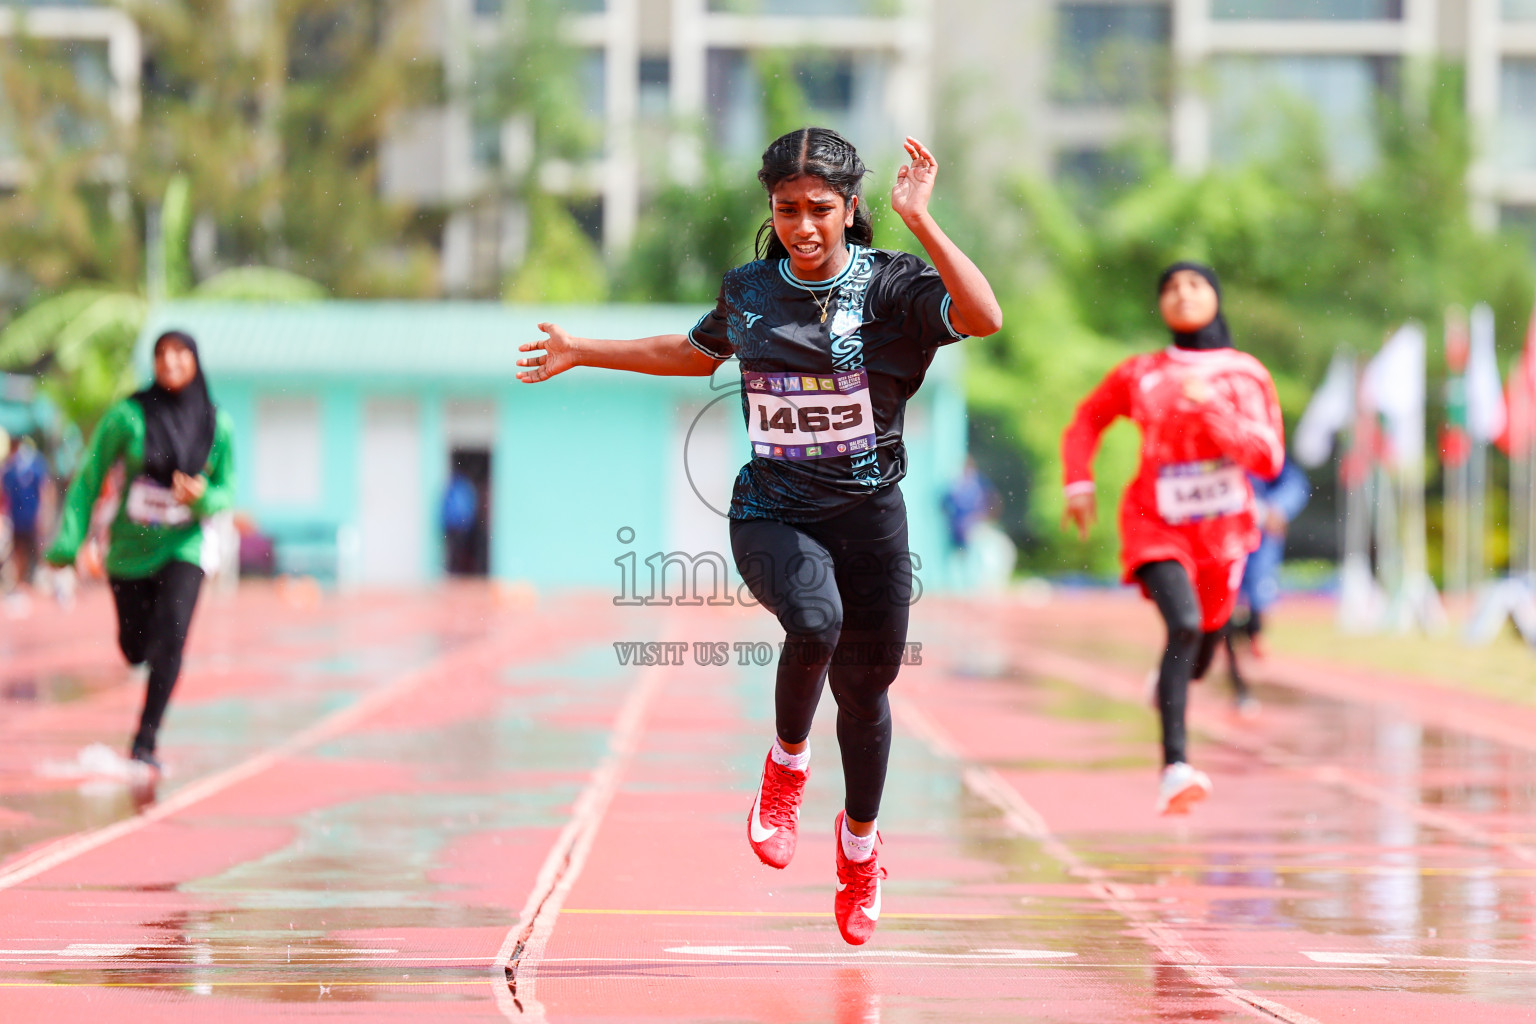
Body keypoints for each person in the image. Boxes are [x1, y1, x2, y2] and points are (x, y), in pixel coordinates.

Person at [515, 129, 1001, 944]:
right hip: (773, 509)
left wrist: (920, 220)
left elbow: (983, 317)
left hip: (871, 520)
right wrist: (582, 350)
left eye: (820, 210)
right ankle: (785, 766)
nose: (803, 227)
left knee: (865, 694)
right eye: (786, 210)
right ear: (769, 210)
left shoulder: (892, 288)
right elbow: (691, 349)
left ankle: (860, 849)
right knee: (814, 623)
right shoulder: (749, 290)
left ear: (852, 208)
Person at [1061, 262, 1283, 815]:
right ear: (1161, 306)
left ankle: (1169, 682)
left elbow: (1269, 458)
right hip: (1154, 520)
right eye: (1170, 287)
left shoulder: (1245, 374)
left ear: (1216, 296)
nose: (1182, 294)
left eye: (1194, 285)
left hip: (1224, 534)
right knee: (1181, 625)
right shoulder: (1143, 372)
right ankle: (1174, 769)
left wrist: (1212, 408)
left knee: (1202, 649)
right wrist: (1079, 481)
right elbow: (1087, 418)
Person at [46, 330, 234, 776]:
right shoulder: (128, 417)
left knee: (172, 639)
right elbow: (90, 476)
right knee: (135, 650)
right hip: (130, 551)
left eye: (180, 353)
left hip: (184, 544)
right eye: (161, 354)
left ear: (195, 361)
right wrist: (67, 543)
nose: (170, 362)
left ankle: (145, 742)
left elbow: (229, 488)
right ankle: (146, 657)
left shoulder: (216, 424)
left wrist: (204, 497)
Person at [1225, 457, 1310, 712]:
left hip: (1259, 545)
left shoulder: (1263, 447)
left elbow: (1294, 482)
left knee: (1255, 613)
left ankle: (1253, 635)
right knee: (1224, 617)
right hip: (1222, 539)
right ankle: (1239, 688)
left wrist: (1279, 507)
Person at [2, 436, 48, 590]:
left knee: (36, 548)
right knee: (19, 549)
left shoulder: (34, 465)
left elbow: (44, 489)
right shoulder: (10, 469)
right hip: (17, 517)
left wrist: (43, 512)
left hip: (31, 515)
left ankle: (32, 580)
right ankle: (20, 582)